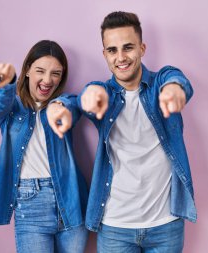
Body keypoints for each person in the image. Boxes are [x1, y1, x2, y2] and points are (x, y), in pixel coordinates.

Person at [78, 11, 197, 252]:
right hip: (114, 227)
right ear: (104, 54)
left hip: (166, 225)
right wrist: (89, 95)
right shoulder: (104, 95)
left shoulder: (160, 84)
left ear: (142, 48)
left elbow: (174, 77)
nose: (121, 57)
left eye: (128, 47)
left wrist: (174, 89)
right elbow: (91, 93)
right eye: (112, 50)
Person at [0, 40, 88, 253]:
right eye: (40, 71)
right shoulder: (12, 110)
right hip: (30, 205)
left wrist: (60, 108)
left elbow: (73, 106)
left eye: (55, 73)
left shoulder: (64, 102)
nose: (48, 80)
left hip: (71, 200)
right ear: (28, 69)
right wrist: (7, 83)